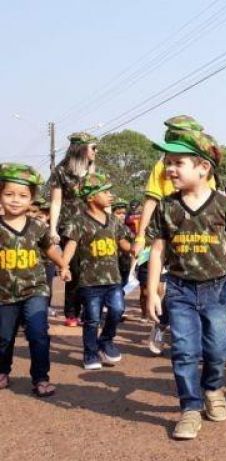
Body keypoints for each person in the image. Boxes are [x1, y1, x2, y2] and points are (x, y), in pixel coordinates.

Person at [146, 126, 226, 440]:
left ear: (203, 167)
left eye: (177, 162)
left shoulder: (225, 205)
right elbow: (158, 250)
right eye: (168, 162)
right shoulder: (166, 206)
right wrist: (151, 290)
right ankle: (189, 407)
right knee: (184, 351)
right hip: (179, 288)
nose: (169, 168)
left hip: (216, 287)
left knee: (217, 348)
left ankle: (213, 388)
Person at [136, 116, 213, 351]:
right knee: (164, 287)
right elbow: (151, 200)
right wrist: (140, 236)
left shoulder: (203, 165)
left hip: (198, 236)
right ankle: (160, 325)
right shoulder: (163, 166)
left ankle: (198, 341)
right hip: (169, 233)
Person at [0, 164, 70, 397]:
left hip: (35, 290)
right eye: (9, 194)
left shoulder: (39, 227)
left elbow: (50, 249)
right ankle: (2, 370)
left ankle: (40, 377)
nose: (15, 200)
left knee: (38, 332)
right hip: (4, 294)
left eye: (23, 195)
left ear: (31, 199)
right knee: (3, 337)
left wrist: (63, 265)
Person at [62, 173, 133, 370]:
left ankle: (106, 341)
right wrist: (64, 265)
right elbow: (71, 245)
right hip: (89, 281)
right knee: (92, 318)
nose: (111, 195)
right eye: (106, 192)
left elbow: (123, 243)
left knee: (117, 310)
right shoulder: (78, 221)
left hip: (113, 279)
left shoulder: (114, 221)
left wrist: (134, 248)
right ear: (92, 197)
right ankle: (90, 354)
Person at [49, 132, 98, 327]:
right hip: (69, 226)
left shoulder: (92, 171)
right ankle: (71, 312)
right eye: (93, 147)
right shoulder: (60, 171)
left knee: (92, 268)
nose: (96, 151)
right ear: (81, 149)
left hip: (91, 224)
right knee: (75, 269)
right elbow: (56, 202)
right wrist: (53, 229)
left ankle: (90, 311)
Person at [111, 199, 133, 290]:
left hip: (125, 263)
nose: (122, 216)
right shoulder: (108, 228)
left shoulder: (127, 229)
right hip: (112, 263)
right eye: (118, 213)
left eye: (124, 213)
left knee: (123, 286)